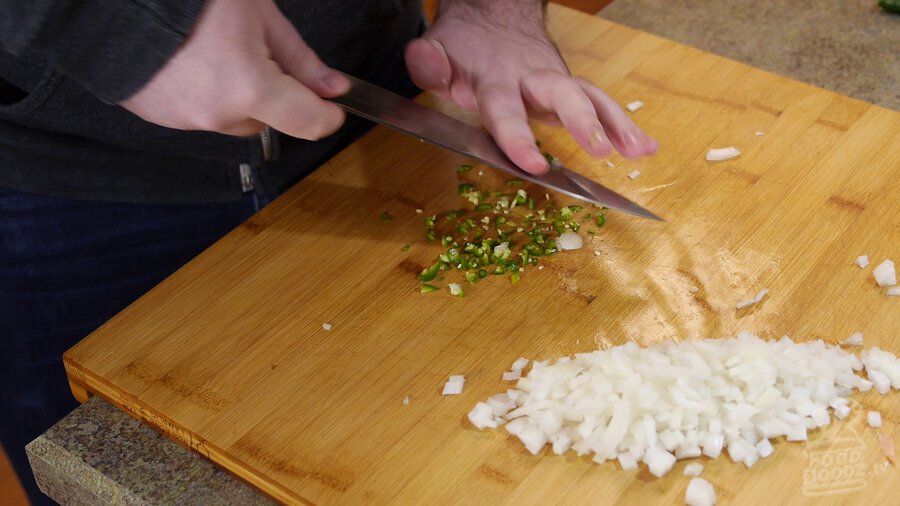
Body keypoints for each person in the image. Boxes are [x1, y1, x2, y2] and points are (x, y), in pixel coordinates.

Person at [0, 0, 658, 503]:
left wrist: (495, 13)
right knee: (103, 471)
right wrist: (123, 24)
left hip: (370, 95)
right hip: (58, 170)